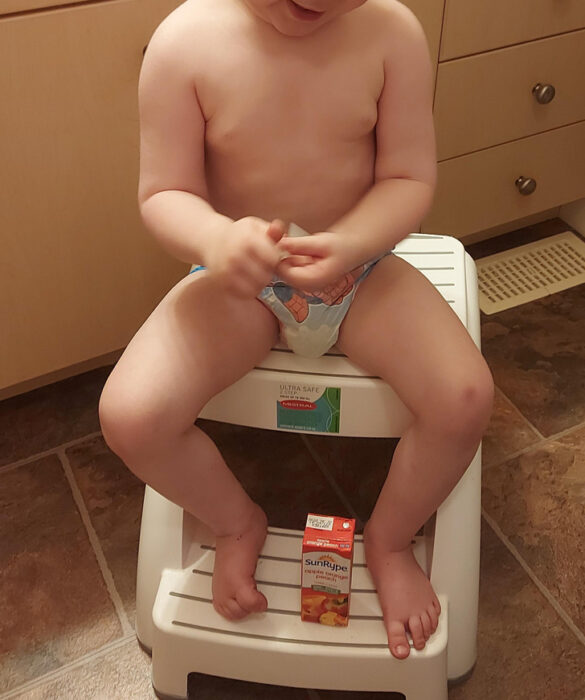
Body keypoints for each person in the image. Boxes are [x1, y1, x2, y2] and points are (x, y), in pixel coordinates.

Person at [99, 0, 494, 660]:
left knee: (463, 400)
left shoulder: (390, 34)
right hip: (241, 285)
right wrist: (218, 240)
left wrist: (352, 242)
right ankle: (235, 523)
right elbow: (163, 192)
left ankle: (389, 539)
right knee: (131, 416)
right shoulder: (184, 42)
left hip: (360, 273)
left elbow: (406, 176)